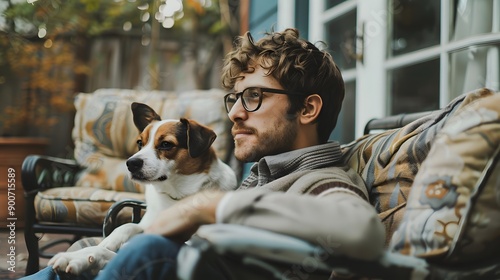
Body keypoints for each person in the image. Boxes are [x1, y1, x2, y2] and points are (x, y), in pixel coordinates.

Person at [22, 28, 385, 280]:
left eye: (254, 97)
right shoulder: (266, 177)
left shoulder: (324, 179)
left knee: (148, 252)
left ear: (307, 109)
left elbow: (364, 231)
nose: (235, 113)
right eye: (235, 99)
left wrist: (208, 207)